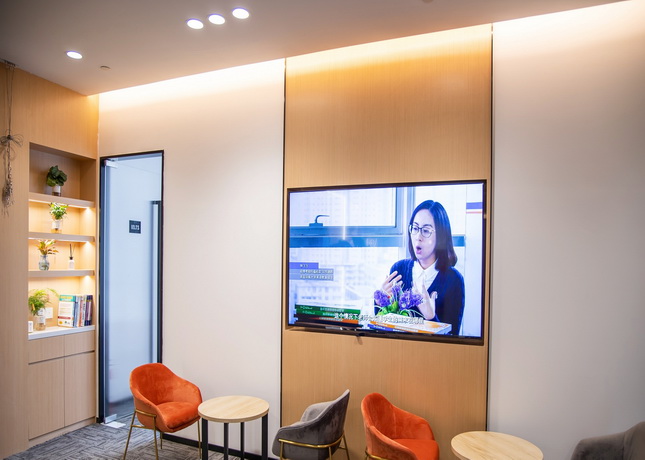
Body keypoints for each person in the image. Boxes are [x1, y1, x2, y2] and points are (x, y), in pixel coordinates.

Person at [380, 200, 465, 335]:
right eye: (415, 228)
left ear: (441, 236)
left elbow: (453, 340)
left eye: (426, 231)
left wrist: (431, 317)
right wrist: (381, 301)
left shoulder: (454, 280)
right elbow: (383, 332)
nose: (418, 237)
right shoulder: (398, 270)